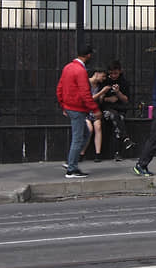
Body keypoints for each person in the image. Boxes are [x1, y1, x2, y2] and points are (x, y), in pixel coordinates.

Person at [56, 44, 102, 178]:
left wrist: (63, 104)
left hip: (70, 106)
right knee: (78, 138)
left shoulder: (68, 67)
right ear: (88, 55)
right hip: (77, 108)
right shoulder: (80, 71)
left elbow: (59, 87)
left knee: (85, 134)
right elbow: (85, 93)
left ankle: (72, 160)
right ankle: (71, 168)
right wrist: (95, 109)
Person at [100, 59, 135, 161]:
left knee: (118, 121)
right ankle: (125, 139)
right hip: (107, 109)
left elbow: (126, 100)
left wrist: (118, 93)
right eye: (111, 73)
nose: (114, 76)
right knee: (115, 116)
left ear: (120, 71)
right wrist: (108, 99)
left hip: (120, 108)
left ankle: (117, 152)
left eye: (115, 73)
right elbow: (99, 98)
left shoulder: (124, 82)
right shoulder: (105, 81)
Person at [81, 67, 110, 163]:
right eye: (103, 76)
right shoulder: (86, 83)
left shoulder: (100, 85)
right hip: (85, 111)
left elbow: (99, 100)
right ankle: (81, 152)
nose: (104, 78)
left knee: (98, 126)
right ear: (97, 73)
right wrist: (101, 92)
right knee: (89, 129)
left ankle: (98, 153)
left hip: (94, 111)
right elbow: (89, 99)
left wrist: (102, 97)